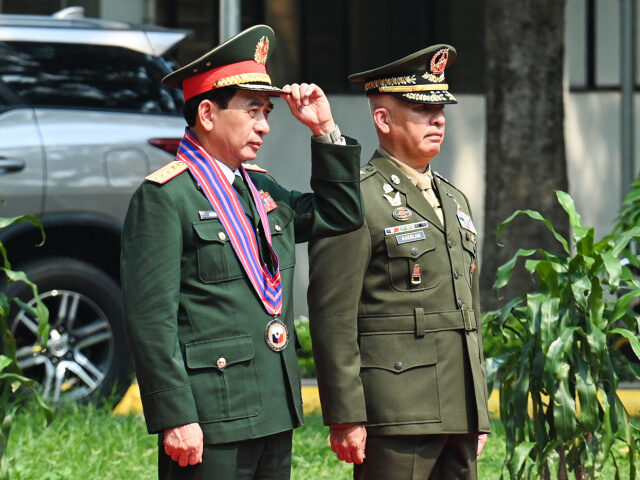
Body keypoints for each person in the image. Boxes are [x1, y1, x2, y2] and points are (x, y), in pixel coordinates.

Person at [120, 25, 363, 480]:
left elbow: (340, 213)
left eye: (267, 111)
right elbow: (150, 319)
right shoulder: (166, 196)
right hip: (210, 414)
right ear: (208, 114)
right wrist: (176, 415)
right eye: (253, 110)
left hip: (272, 405)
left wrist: (324, 130)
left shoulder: (261, 189)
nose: (265, 125)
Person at [308, 44, 490, 479]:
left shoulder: (454, 198)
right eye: (421, 109)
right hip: (395, 410)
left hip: (458, 410)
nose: (438, 119)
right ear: (383, 120)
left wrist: (477, 406)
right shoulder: (357, 198)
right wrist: (346, 414)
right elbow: (332, 313)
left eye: (440, 108)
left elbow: (470, 310)